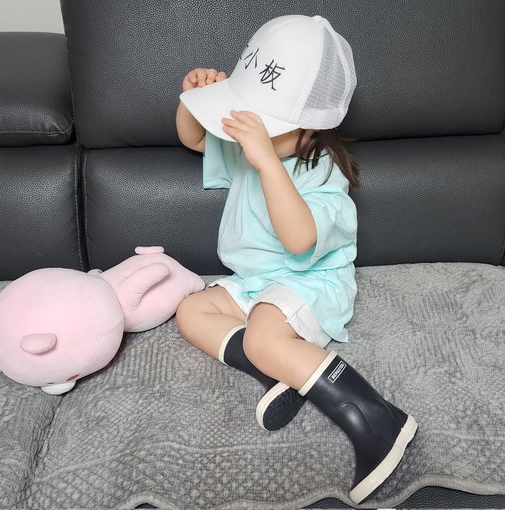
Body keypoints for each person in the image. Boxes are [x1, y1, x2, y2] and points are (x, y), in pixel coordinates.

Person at [174, 14, 417, 504]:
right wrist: (192, 98)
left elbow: (300, 240)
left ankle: (378, 418)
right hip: (255, 280)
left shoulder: (322, 172)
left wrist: (267, 163)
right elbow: (194, 139)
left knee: (264, 333)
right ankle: (273, 370)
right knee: (191, 310)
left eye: (263, 124)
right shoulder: (246, 148)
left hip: (309, 282)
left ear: (309, 129)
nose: (247, 132)